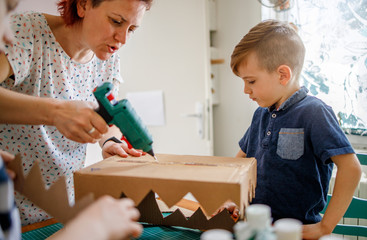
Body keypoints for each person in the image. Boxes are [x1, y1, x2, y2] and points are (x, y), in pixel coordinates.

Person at [0, 0, 152, 225]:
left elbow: (104, 116)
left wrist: (108, 140)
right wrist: (56, 112)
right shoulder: (28, 32)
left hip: (59, 208)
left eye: (131, 29)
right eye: (116, 21)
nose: (123, 39)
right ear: (82, 5)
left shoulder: (108, 61)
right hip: (8, 203)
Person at [228, 19, 362, 239]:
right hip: (257, 229)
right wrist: (233, 200)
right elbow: (239, 164)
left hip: (297, 233)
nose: (245, 90)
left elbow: (351, 169)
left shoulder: (314, 112)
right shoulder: (260, 114)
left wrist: (324, 227)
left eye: (251, 81)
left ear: (283, 75)